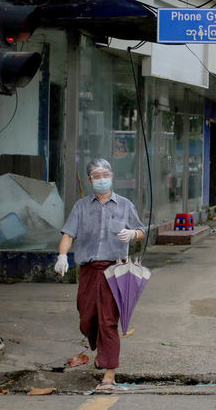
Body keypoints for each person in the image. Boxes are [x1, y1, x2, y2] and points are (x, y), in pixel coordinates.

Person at [54, 158, 146, 391]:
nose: (102, 179)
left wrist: (132, 234)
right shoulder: (81, 206)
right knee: (87, 319)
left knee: (108, 320)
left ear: (112, 176)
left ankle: (109, 373)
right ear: (89, 180)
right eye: (97, 176)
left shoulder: (125, 205)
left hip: (115, 270)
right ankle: (99, 350)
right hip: (88, 270)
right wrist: (62, 256)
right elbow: (68, 233)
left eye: (106, 174)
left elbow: (142, 230)